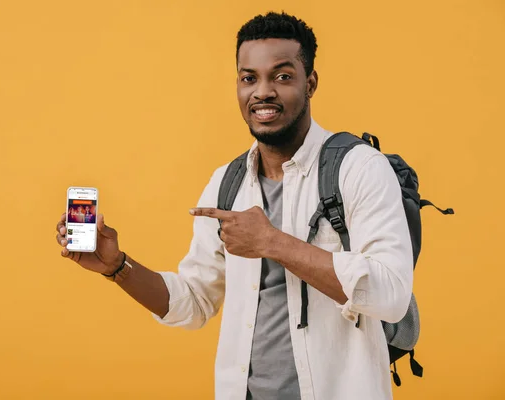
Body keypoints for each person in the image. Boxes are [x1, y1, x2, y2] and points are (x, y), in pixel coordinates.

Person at [55, 11, 413, 400]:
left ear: (310, 83)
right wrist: (117, 266)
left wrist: (271, 242)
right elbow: (193, 302)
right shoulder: (227, 183)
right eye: (249, 78)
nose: (262, 92)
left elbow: (391, 295)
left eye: (282, 76)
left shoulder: (359, 169)